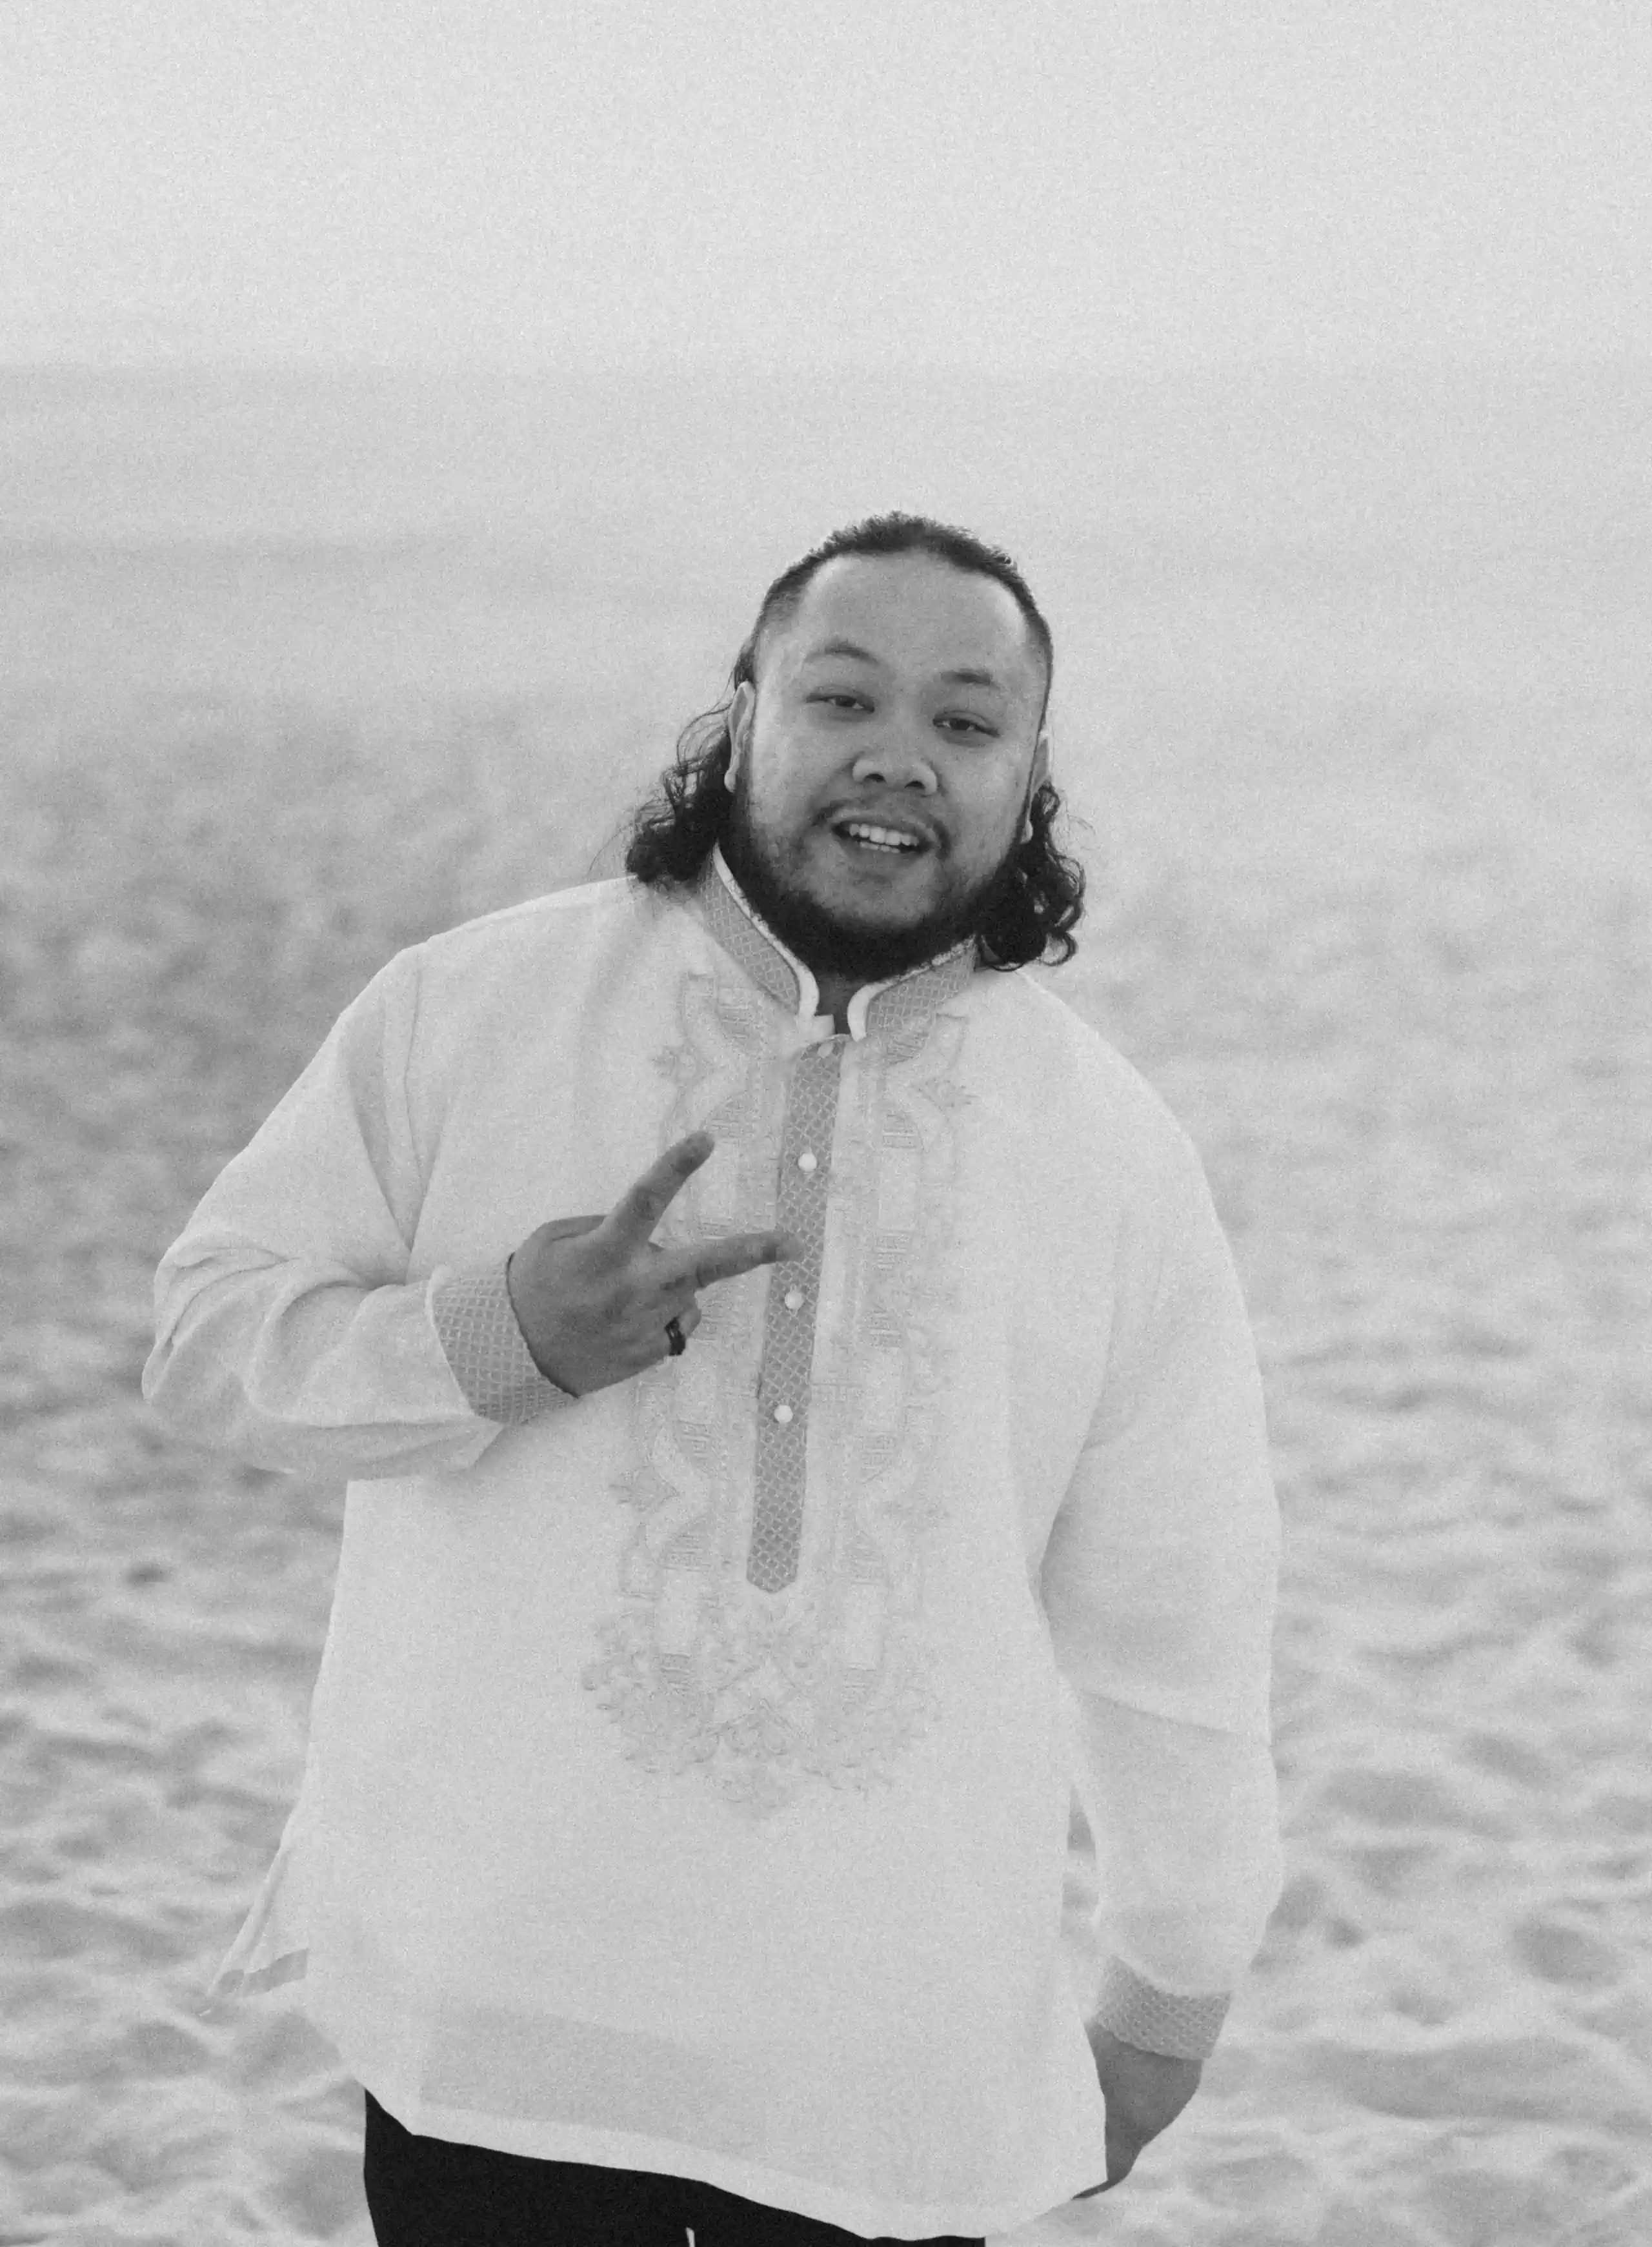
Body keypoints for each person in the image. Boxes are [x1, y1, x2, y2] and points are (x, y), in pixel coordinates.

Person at [144, 511, 1284, 2245]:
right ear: (742, 711)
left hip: (881, 2070)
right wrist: (502, 1334)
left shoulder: (1112, 1150)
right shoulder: (471, 1010)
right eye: (843, 698)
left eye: (968, 723)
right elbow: (211, 1344)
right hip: (495, 2032)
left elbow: (1178, 1618)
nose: (899, 756)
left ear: (1028, 776)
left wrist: (1172, 1988)